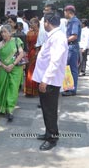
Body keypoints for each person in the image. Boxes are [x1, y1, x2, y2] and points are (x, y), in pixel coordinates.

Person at [32, 13, 68, 151]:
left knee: (50, 110)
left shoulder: (58, 38)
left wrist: (45, 80)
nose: (42, 25)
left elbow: (55, 61)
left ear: (47, 22)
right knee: (46, 109)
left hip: (50, 81)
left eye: (42, 23)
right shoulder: (53, 36)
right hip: (46, 79)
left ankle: (52, 138)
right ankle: (49, 133)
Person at [0, 24, 24, 121]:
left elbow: (21, 53)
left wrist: (13, 64)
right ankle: (1, 108)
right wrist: (4, 66)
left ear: (10, 33)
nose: (3, 34)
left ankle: (10, 110)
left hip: (15, 69)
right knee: (2, 87)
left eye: (5, 32)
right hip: (3, 69)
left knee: (13, 89)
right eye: (2, 32)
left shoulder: (16, 41)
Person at [62, 5, 81, 96]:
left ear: (69, 12)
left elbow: (74, 36)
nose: (64, 13)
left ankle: (72, 90)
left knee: (72, 69)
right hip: (70, 47)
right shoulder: (71, 21)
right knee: (67, 69)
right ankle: (68, 88)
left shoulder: (74, 21)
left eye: (65, 12)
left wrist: (63, 41)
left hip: (72, 47)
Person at [24, 18, 39, 96]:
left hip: (38, 53)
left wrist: (37, 52)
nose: (31, 24)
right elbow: (27, 44)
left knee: (36, 71)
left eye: (32, 23)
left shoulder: (40, 32)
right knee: (29, 71)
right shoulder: (29, 33)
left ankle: (36, 90)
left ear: (37, 23)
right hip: (30, 53)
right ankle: (29, 91)